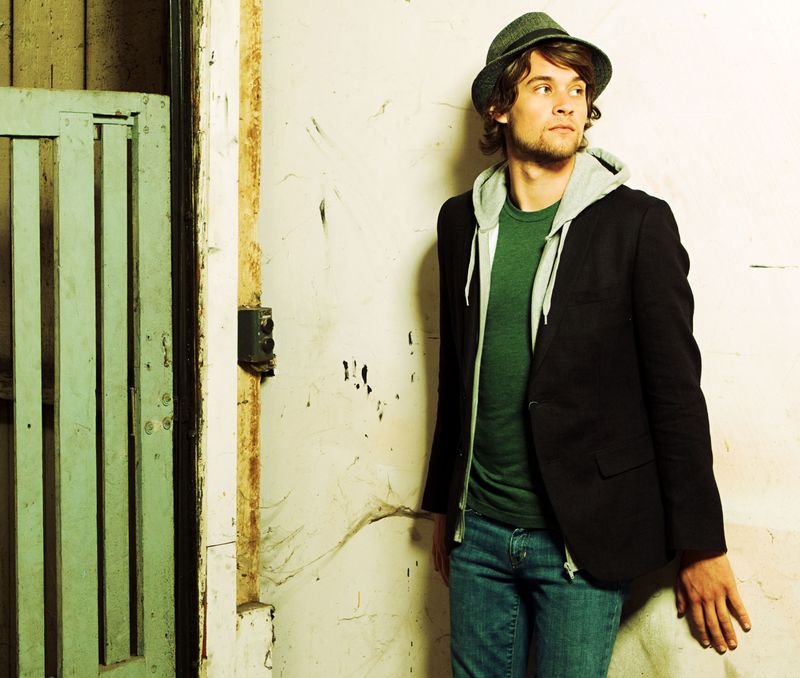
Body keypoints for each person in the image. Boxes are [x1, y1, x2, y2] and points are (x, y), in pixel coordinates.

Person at [421, 12, 751, 678]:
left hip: (581, 541)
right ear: (499, 108)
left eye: (578, 88)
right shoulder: (460, 223)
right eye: (544, 87)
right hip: (477, 532)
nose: (568, 102)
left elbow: (675, 392)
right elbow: (457, 372)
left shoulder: (637, 223)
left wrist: (701, 544)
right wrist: (444, 506)